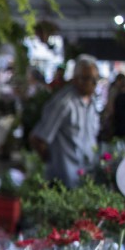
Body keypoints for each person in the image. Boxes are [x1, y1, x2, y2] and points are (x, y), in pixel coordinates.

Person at [30, 54, 100, 188]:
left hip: (86, 176)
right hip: (63, 180)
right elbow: (38, 139)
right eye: (86, 78)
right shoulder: (63, 103)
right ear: (74, 79)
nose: (91, 83)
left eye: (95, 79)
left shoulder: (93, 104)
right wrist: (52, 164)